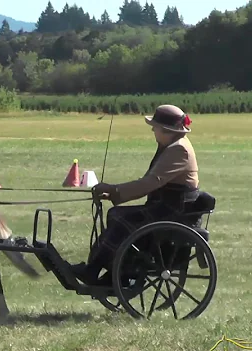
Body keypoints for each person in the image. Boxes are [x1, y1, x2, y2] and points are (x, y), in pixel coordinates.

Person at [69, 104, 200, 285]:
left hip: (171, 210)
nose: (153, 130)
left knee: (122, 219)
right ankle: (115, 270)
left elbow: (150, 183)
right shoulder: (171, 145)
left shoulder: (179, 150)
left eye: (155, 127)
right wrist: (114, 193)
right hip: (164, 205)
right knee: (116, 215)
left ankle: (102, 271)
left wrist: (115, 190)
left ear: (166, 130)